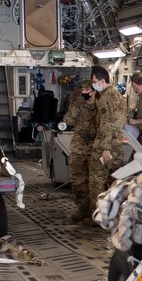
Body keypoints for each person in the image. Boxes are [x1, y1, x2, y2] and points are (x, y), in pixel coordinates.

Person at [89, 66, 128, 218]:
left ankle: (98, 217)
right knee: (114, 182)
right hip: (117, 144)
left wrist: (105, 148)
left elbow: (106, 124)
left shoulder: (105, 98)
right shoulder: (119, 96)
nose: (93, 85)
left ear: (102, 81)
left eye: (94, 81)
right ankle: (114, 216)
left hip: (105, 146)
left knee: (97, 181)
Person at [62, 80, 97, 221]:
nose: (84, 92)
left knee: (93, 183)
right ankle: (82, 211)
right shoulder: (78, 104)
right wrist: (77, 104)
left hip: (94, 148)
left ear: (94, 91)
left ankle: (94, 213)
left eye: (87, 90)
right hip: (78, 147)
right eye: (83, 89)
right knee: (77, 181)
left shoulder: (101, 106)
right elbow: (68, 120)